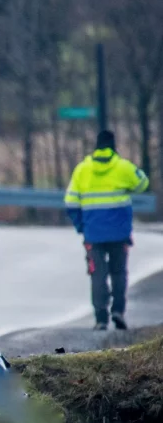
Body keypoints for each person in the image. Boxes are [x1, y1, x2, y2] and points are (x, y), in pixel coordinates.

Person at [64, 130, 149, 331]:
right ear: (113, 146)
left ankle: (101, 318)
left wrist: (81, 227)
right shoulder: (123, 167)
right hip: (120, 233)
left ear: (96, 145)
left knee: (97, 274)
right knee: (119, 272)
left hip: (93, 234)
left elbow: (70, 202)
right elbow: (143, 183)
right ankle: (118, 311)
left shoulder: (82, 170)